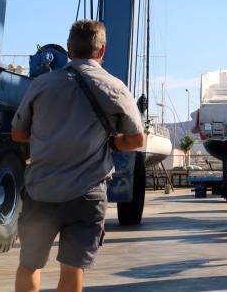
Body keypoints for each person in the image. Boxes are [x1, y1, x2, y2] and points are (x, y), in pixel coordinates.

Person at [11, 20, 145, 292]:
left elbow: (18, 134)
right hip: (87, 194)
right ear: (102, 50)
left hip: (42, 191)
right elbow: (137, 140)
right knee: (72, 270)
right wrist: (113, 143)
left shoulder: (41, 85)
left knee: (30, 265)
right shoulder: (115, 87)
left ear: (69, 49)